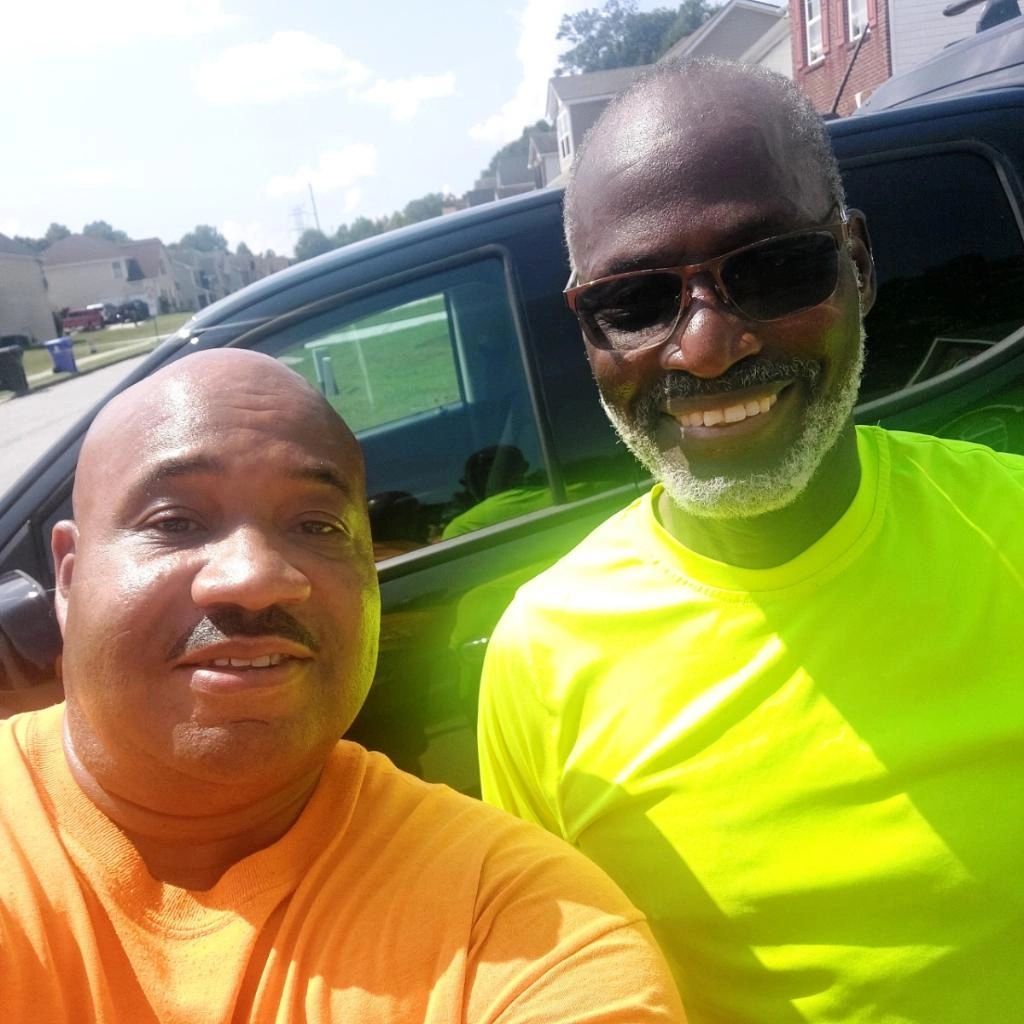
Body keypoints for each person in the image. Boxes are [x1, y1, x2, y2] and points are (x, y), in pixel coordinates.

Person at [478, 58, 1024, 1024]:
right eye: (637, 302)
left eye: (772, 270)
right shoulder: (541, 656)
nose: (706, 347)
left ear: (857, 265)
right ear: (586, 330)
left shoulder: (1011, 529)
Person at [0, 349, 686, 1023]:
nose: (255, 576)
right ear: (67, 574)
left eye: (317, 526)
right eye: (175, 522)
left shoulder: (521, 927)